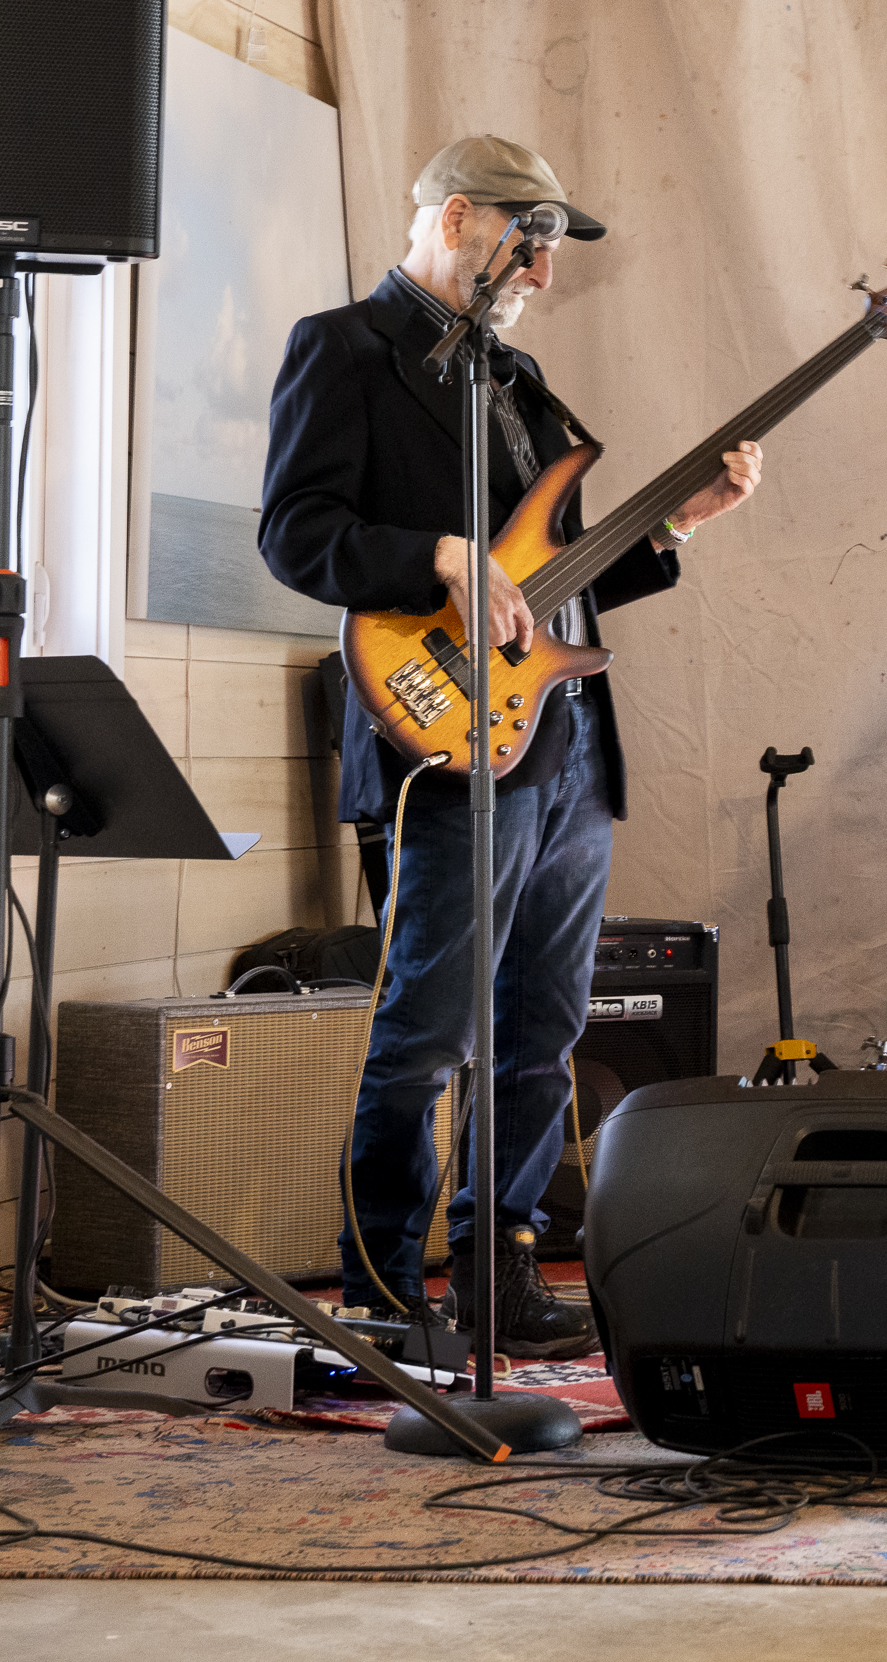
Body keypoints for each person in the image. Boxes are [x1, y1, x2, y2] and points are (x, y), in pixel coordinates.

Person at [259, 136, 763, 1357]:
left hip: (566, 742)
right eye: (526, 236)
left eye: (548, 244)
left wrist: (678, 527)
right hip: (446, 746)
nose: (541, 263)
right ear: (458, 218)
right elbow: (296, 532)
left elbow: (555, 593)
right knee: (428, 1025)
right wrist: (435, 552)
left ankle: (499, 1272)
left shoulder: (522, 380)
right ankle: (383, 1291)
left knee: (541, 1030)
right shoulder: (345, 348)